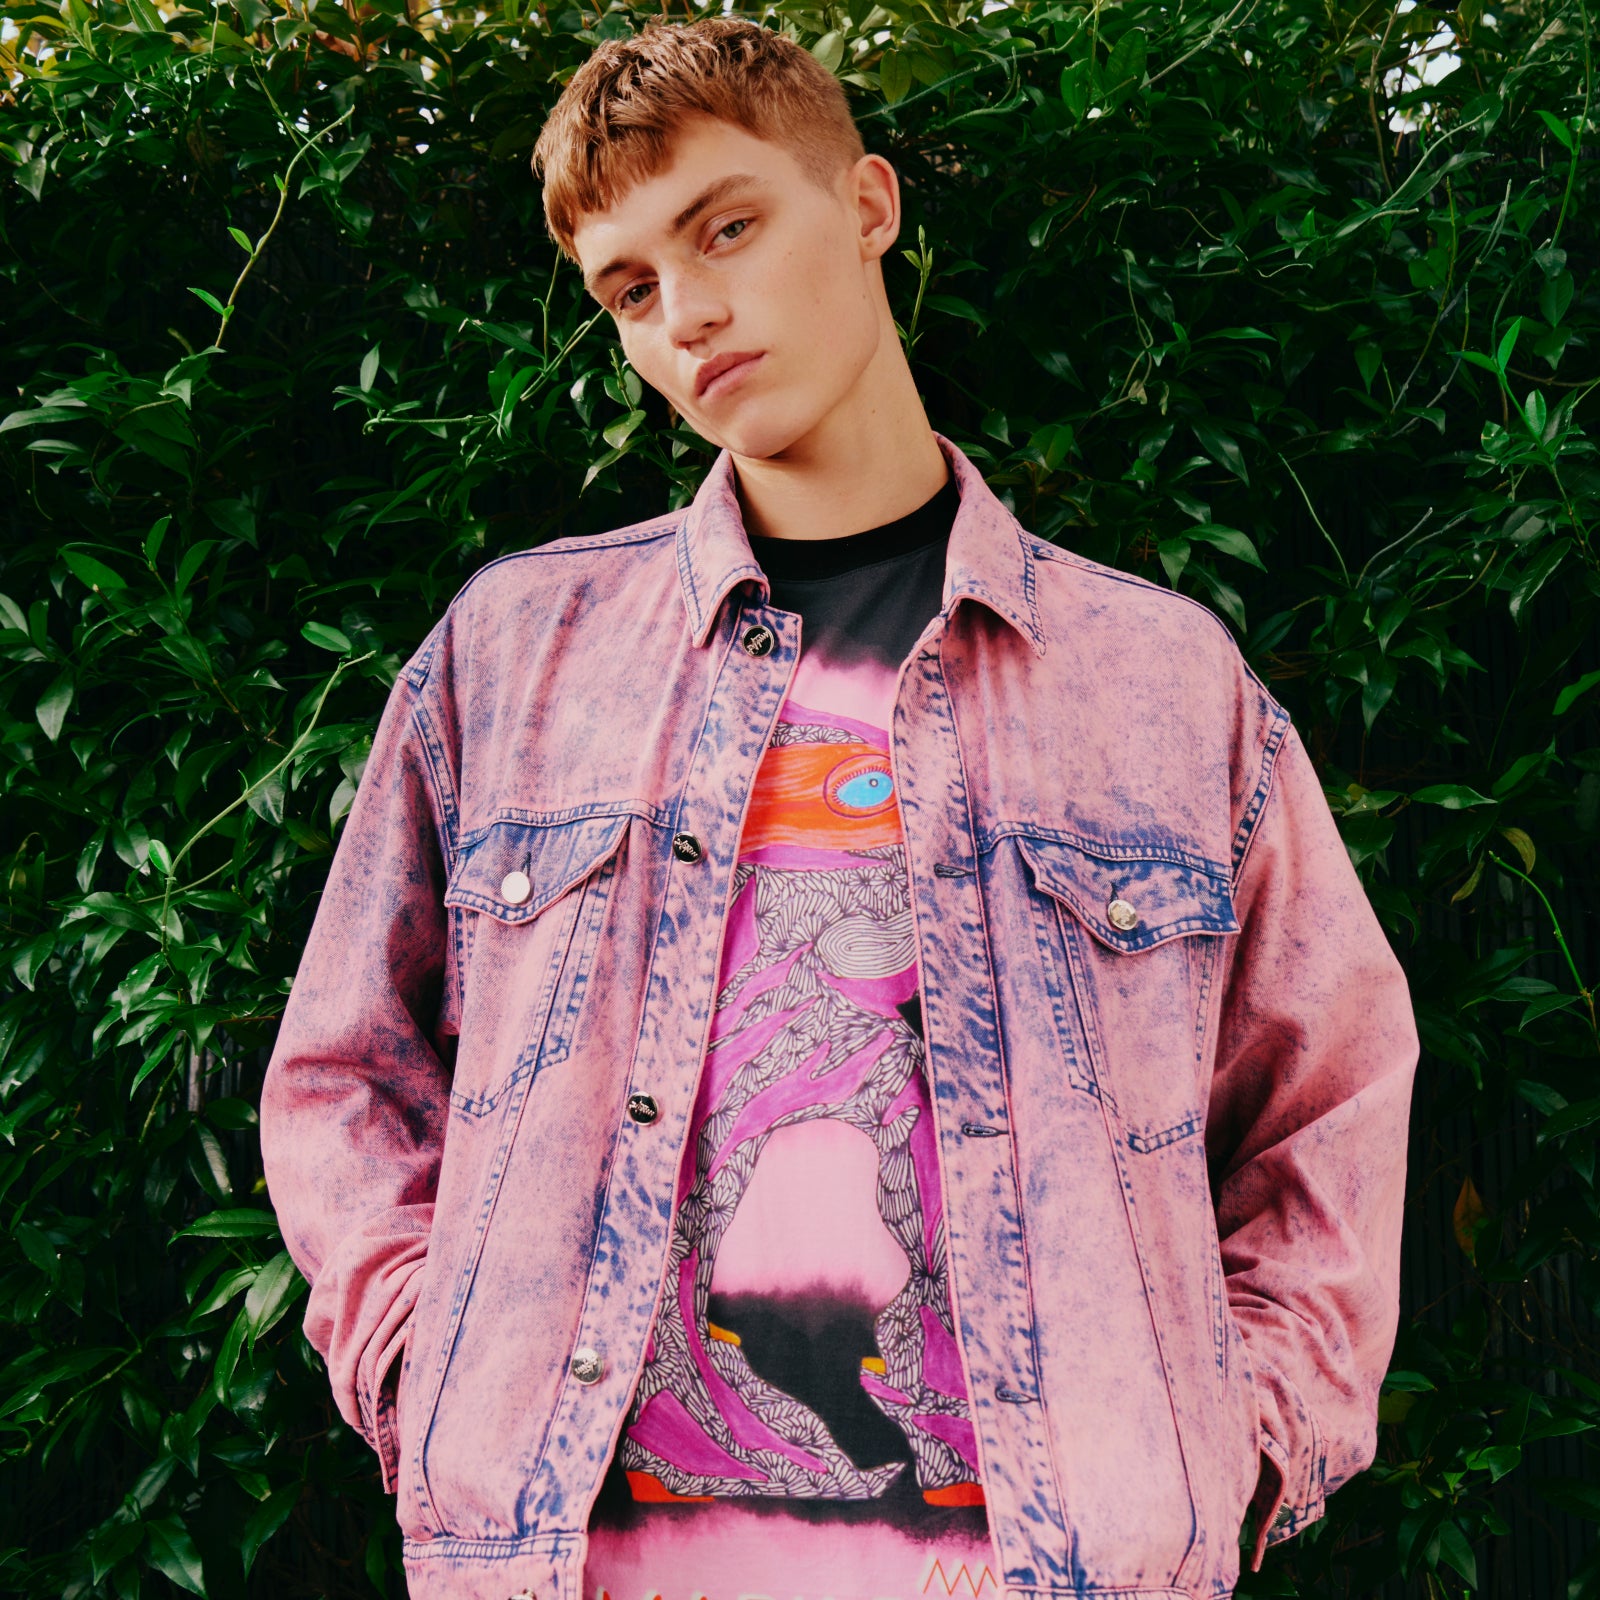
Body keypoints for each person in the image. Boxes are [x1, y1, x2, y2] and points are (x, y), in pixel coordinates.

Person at [260, 19, 1418, 1600]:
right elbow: (341, 1072)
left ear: (868, 204)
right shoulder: (516, 661)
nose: (688, 313)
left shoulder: (1160, 684)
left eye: (727, 227)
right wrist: (431, 1369)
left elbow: (1329, 1094)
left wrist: (1243, 1442)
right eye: (630, 289)